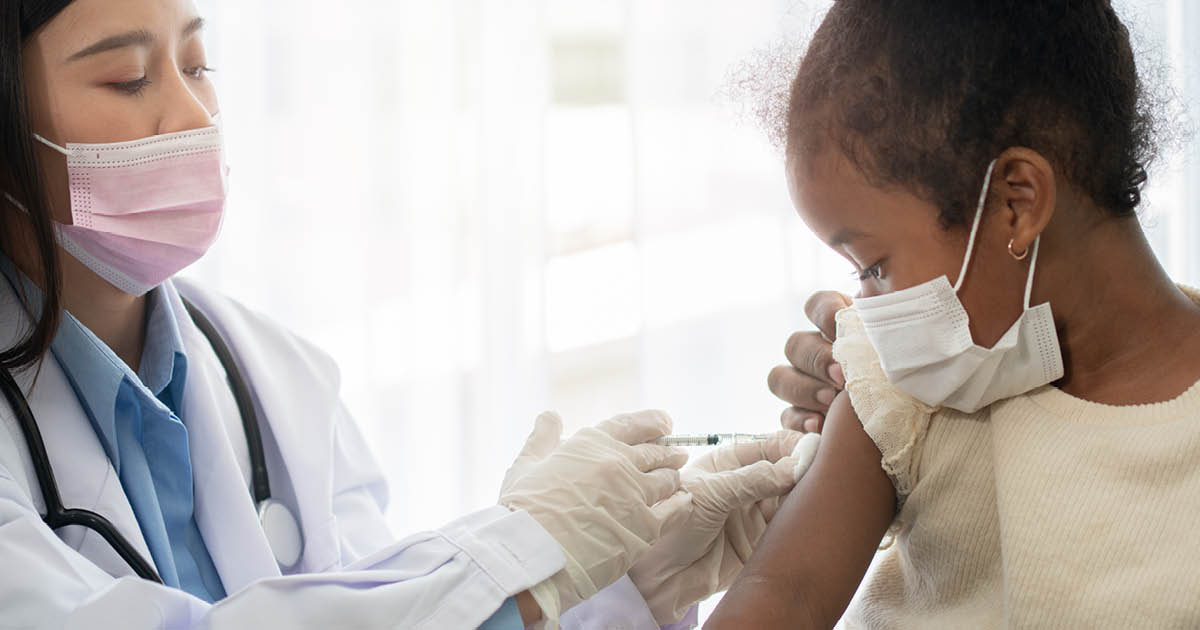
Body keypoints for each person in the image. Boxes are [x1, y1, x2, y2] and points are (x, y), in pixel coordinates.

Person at [0, 1, 816, 628]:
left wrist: (620, 586)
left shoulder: (277, 378)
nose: (192, 117)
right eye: (128, 79)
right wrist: (521, 554)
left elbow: (396, 612)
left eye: (197, 66)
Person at [710, 1, 1200, 628]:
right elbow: (785, 594)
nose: (867, 308)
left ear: (1016, 203)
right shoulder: (913, 389)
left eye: (874, 265)